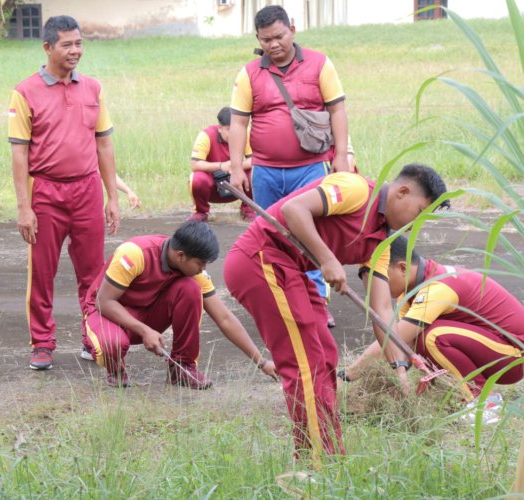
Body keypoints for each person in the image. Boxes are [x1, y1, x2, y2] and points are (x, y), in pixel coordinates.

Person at [224, 165, 448, 458]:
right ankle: (316, 460)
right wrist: (328, 260)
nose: (414, 226)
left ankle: (329, 451)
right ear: (402, 192)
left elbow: (381, 309)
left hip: (292, 271)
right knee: (305, 363)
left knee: (324, 355)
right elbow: (294, 209)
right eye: (418, 214)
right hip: (261, 260)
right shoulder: (356, 189)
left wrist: (400, 369)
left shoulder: (383, 241)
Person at [228, 5, 353, 327]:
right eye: (266, 39)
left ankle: (316, 304)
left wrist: (341, 155)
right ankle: (283, 304)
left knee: (310, 237)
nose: (274, 44)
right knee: (272, 239)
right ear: (258, 39)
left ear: (293, 30)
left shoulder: (320, 64)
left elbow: (337, 111)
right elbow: (239, 123)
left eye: (279, 36)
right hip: (266, 172)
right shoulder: (249, 73)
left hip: (311, 169)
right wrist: (237, 167)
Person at [8, 15, 120, 371]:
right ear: (47, 48)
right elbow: (19, 154)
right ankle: (42, 343)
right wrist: (24, 208)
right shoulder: (25, 92)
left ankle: (92, 337)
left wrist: (112, 197)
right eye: (67, 45)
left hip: (86, 189)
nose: (75, 51)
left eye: (79, 44)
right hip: (45, 191)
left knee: (93, 271)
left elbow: (104, 145)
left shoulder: (93, 89)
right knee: (42, 272)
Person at [341, 235, 524, 425]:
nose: (374, 285)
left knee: (433, 337)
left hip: (513, 356)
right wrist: (396, 380)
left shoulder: (436, 288)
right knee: (421, 336)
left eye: (378, 276)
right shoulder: (412, 290)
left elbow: (395, 338)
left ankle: (486, 402)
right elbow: (401, 343)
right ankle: (462, 395)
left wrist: (347, 376)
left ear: (402, 268)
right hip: (493, 350)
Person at [83, 220, 278, 388]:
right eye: (200, 264)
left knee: (191, 289)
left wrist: (261, 362)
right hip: (105, 312)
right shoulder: (135, 254)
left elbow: (224, 318)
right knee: (112, 345)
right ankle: (115, 369)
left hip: (146, 313)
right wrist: (144, 330)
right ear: (180, 255)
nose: (203, 269)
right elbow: (104, 301)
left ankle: (182, 369)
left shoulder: (194, 272)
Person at [188, 107, 255, 223]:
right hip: (213, 184)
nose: (233, 133)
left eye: (235, 129)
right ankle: (201, 212)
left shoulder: (245, 132)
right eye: (229, 129)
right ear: (220, 128)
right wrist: (220, 166)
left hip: (237, 183)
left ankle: (248, 208)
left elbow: (255, 160)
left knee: (257, 172)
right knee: (196, 178)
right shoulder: (206, 135)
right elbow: (195, 164)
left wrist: (235, 166)